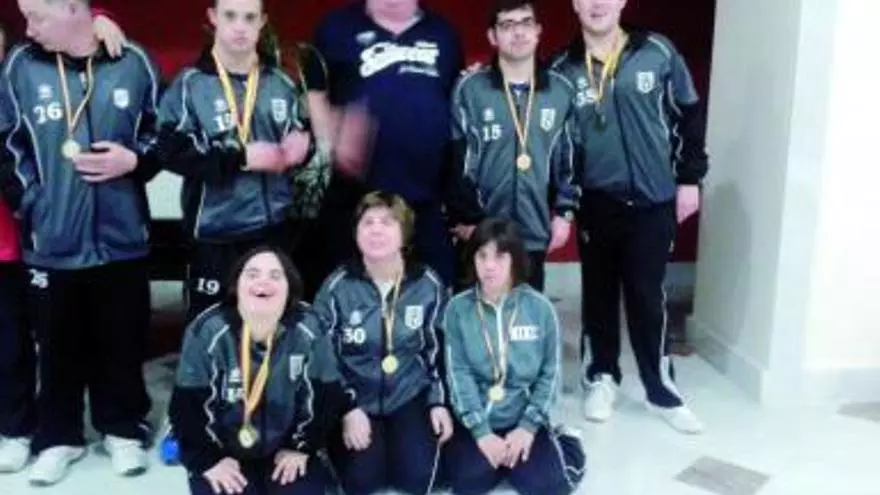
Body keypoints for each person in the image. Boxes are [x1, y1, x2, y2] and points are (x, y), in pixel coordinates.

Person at [0, 0, 163, 485]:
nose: (28, 28)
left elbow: (164, 130)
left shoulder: (133, 61)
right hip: (52, 239)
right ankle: (59, 438)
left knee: (122, 338)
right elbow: (6, 143)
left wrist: (135, 161)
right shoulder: (20, 66)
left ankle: (123, 430)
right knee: (57, 346)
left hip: (122, 236)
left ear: (73, 9)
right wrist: (34, 202)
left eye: (37, 16)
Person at [550, 0, 709, 433]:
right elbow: (560, 144)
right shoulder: (563, 69)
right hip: (596, 202)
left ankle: (661, 390)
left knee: (646, 296)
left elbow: (688, 114)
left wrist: (690, 178)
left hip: (653, 200)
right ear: (575, 5)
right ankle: (601, 377)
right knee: (598, 295)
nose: (597, 4)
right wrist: (565, 203)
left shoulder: (657, 51)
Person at [156, 0, 315, 325]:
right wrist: (240, 157)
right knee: (211, 326)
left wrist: (303, 149)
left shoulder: (280, 83)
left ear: (262, 21)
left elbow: (300, 139)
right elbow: (169, 151)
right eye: (230, 16)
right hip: (215, 234)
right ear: (213, 17)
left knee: (270, 328)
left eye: (249, 17)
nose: (240, 27)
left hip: (272, 231)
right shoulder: (190, 85)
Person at [312, 0, 465, 287]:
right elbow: (312, 93)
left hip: (426, 199)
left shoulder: (444, 34)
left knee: (435, 290)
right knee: (344, 292)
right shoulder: (336, 28)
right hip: (355, 202)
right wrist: (331, 133)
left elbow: (458, 105)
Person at [170, 246, 342, 495]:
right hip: (223, 452)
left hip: (285, 447)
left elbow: (326, 396)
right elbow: (187, 407)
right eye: (252, 274)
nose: (263, 281)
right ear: (236, 285)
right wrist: (207, 460)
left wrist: (301, 447)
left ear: (290, 287)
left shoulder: (310, 327)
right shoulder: (207, 331)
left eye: (275, 275)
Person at [313, 191, 453, 494]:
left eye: (387, 222)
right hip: (356, 396)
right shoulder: (337, 287)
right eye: (368, 222)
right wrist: (348, 409)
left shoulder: (427, 284)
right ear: (356, 233)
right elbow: (322, 358)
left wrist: (438, 403)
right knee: (362, 481)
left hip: (407, 393)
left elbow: (439, 351)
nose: (376, 230)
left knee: (418, 479)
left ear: (405, 233)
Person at [443, 217, 585, 494]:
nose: (489, 266)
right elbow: (458, 375)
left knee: (548, 485)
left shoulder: (540, 309)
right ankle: (504, 460)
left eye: (500, 256)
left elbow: (550, 374)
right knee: (468, 482)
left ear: (515, 260)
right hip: (478, 418)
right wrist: (482, 433)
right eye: (482, 256)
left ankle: (565, 441)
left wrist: (527, 428)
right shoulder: (457, 309)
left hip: (524, 416)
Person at [448, 0, 581, 291]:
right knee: (476, 313)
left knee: (526, 313)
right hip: (480, 231)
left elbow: (569, 158)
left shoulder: (561, 91)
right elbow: (457, 159)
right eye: (507, 25)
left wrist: (564, 214)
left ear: (538, 31)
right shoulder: (470, 88)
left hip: (533, 231)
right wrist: (467, 217)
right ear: (492, 36)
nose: (518, 32)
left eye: (525, 23)